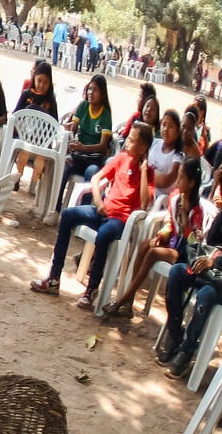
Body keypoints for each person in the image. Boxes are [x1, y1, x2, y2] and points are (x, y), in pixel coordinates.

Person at [34, 119, 154, 309]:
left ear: (142, 149)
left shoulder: (149, 173)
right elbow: (97, 178)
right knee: (67, 215)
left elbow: (146, 202)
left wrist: (144, 171)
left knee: (104, 236)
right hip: (100, 210)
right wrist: (98, 201)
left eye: (131, 140)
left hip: (119, 220)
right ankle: (54, 277)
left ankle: (92, 289)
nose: (127, 143)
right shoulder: (122, 158)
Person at [105, 157, 204, 321]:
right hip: (173, 243)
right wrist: (161, 235)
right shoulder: (175, 198)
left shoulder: (196, 211)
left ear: (192, 183)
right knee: (145, 245)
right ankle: (129, 303)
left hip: (185, 254)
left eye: (181, 177)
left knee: (152, 253)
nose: (178, 181)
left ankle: (121, 300)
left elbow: (194, 241)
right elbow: (169, 223)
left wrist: (186, 220)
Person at [157, 168, 222, 378]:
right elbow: (214, 239)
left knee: (205, 296)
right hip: (210, 269)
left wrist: (213, 259)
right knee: (178, 271)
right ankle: (175, 332)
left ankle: (187, 350)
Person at [58, 73, 116, 199]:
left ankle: (81, 213)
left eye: (95, 90)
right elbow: (72, 130)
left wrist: (83, 147)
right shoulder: (83, 106)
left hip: (94, 158)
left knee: (92, 173)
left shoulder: (105, 114)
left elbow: (102, 146)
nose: (91, 93)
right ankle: (55, 209)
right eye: (89, 89)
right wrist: (74, 143)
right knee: (64, 167)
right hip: (78, 155)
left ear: (102, 94)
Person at [148, 109, 188, 191]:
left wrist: (143, 175)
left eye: (171, 126)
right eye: (164, 124)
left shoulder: (178, 156)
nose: (166, 129)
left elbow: (166, 181)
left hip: (159, 198)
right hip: (144, 188)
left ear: (178, 131)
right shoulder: (154, 142)